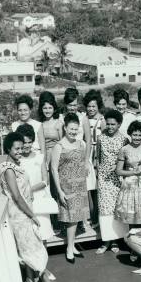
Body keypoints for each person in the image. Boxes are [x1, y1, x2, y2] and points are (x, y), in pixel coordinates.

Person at [0, 132, 60, 282]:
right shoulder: (9, 170)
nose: (20, 151)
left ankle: (30, 279)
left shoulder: (15, 166)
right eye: (16, 149)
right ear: (8, 149)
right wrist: (32, 215)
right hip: (20, 215)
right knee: (31, 248)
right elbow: (17, 197)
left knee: (30, 247)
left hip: (24, 211)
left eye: (21, 148)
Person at [50, 113, 90, 264]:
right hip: (66, 187)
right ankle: (69, 248)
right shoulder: (59, 146)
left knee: (77, 218)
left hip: (80, 184)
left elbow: (84, 162)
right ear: (65, 128)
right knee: (71, 218)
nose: (73, 131)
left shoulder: (81, 144)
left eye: (76, 129)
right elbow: (54, 169)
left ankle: (72, 246)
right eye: (71, 129)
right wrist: (60, 191)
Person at [96, 109, 129, 254]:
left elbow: (127, 160)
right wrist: (99, 174)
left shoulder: (124, 139)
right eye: (107, 124)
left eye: (113, 124)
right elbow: (97, 157)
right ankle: (106, 241)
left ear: (119, 124)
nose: (110, 127)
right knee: (104, 209)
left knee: (116, 208)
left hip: (118, 178)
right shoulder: (100, 138)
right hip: (104, 178)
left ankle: (116, 240)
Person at [15, 123, 55, 242]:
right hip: (23, 199)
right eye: (24, 142)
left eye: (29, 142)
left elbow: (45, 181)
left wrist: (30, 189)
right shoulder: (16, 160)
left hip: (39, 198)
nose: (27, 145)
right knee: (28, 235)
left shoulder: (39, 157)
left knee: (42, 232)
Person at [114, 120, 141, 226]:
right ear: (130, 134)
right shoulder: (124, 149)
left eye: (140, 135)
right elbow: (118, 171)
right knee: (131, 215)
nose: (137, 138)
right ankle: (131, 238)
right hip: (130, 185)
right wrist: (133, 172)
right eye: (134, 135)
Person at [83, 89, 106, 228]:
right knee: (88, 187)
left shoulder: (102, 120)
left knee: (98, 188)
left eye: (94, 106)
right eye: (89, 106)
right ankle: (90, 216)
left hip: (98, 154)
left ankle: (98, 218)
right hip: (86, 154)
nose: (91, 109)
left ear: (98, 106)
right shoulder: (83, 118)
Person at [38, 91, 63, 163]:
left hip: (57, 156)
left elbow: (62, 144)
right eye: (45, 108)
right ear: (41, 109)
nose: (47, 111)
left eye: (50, 108)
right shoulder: (40, 124)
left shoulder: (58, 123)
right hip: (44, 156)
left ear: (54, 108)